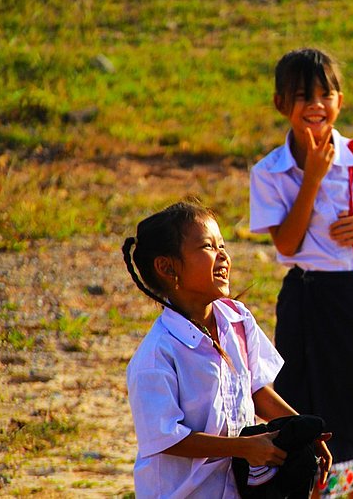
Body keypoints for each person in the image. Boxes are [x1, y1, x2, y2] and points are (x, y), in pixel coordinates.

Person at [248, 47, 353, 499]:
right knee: (302, 397)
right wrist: (313, 178)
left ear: (340, 100)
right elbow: (286, 243)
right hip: (304, 296)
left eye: (326, 93)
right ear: (282, 104)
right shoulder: (270, 171)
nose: (316, 104)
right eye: (303, 96)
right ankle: (311, 486)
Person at [122, 200, 331, 498]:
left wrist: (304, 431)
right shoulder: (158, 354)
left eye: (223, 245)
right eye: (207, 246)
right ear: (167, 268)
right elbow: (167, 439)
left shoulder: (238, 321)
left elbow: (255, 389)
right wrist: (243, 448)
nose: (223, 255)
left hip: (235, 489)